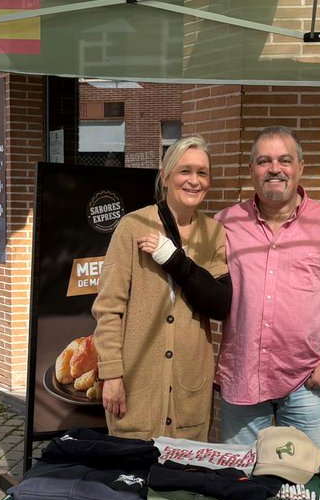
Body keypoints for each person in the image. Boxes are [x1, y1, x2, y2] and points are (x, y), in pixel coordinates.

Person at [215, 126, 320, 448]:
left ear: (300, 167)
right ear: (251, 170)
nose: (274, 169)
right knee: (238, 473)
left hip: (306, 380)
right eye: (264, 161)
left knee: (301, 474)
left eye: (284, 160)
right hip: (242, 376)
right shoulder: (225, 224)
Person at [93, 134, 230, 440]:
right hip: (137, 386)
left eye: (202, 173)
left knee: (182, 469)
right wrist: (111, 374)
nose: (194, 180)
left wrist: (172, 258)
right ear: (166, 176)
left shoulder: (213, 233)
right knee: (132, 466)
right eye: (185, 171)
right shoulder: (133, 227)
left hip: (188, 389)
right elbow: (108, 308)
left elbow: (219, 304)